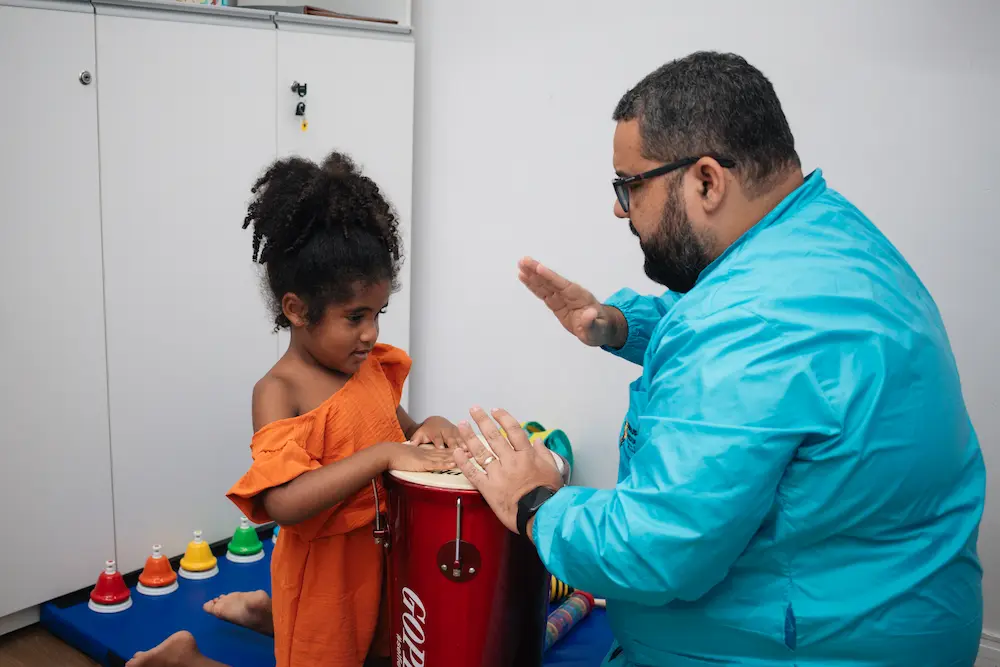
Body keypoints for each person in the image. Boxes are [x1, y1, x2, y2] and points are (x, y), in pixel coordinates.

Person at [451, 51, 986, 666]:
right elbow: (781, 374)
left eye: (630, 186)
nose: (620, 211)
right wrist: (620, 325)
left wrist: (536, 501)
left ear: (706, 179)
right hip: (896, 613)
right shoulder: (830, 236)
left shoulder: (749, 322)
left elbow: (653, 550)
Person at [127, 151, 461, 667]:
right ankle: (185, 660)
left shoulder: (367, 366)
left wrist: (429, 429)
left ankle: (268, 616)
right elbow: (283, 502)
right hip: (324, 574)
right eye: (355, 317)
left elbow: (400, 433)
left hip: (383, 557)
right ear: (297, 309)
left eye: (378, 314)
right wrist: (382, 457)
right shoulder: (280, 391)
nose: (372, 333)